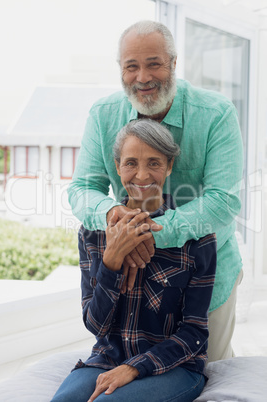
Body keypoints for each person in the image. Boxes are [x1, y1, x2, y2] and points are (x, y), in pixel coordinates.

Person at [68, 20, 243, 362]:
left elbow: (223, 202)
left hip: (206, 278)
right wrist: (113, 217)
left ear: (174, 64)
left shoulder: (216, 114)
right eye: (131, 66)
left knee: (209, 373)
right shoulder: (103, 116)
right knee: (137, 375)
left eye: (154, 63)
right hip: (130, 283)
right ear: (121, 69)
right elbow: (83, 188)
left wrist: (144, 235)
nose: (143, 77)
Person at [52, 119, 217, 402]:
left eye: (154, 163)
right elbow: (95, 326)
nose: (141, 175)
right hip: (106, 360)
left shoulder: (196, 236)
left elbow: (195, 333)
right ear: (117, 167)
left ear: (169, 166)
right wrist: (112, 260)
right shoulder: (93, 233)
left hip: (174, 367)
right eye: (130, 163)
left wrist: (134, 367)